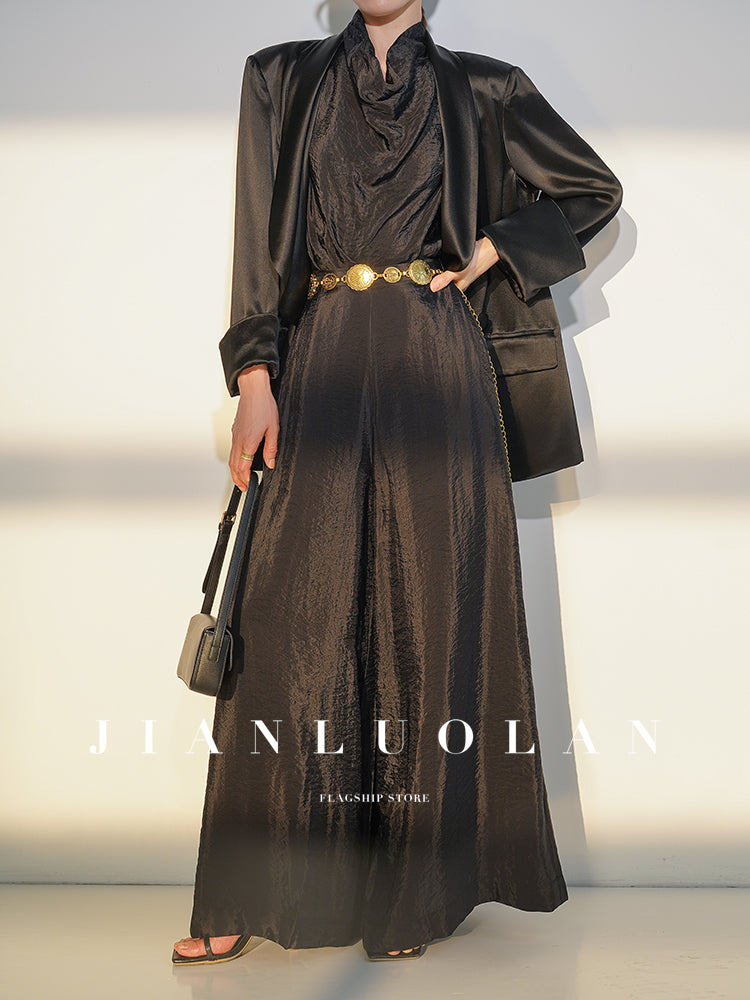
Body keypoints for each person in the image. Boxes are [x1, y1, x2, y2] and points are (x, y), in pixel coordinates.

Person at [173, 0, 622, 965]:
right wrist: (253, 377)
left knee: (429, 614)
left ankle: (412, 893)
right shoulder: (279, 77)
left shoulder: (485, 87)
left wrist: (495, 248)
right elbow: (256, 243)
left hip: (437, 360)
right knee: (289, 615)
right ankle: (246, 887)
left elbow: (593, 190)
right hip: (320, 359)